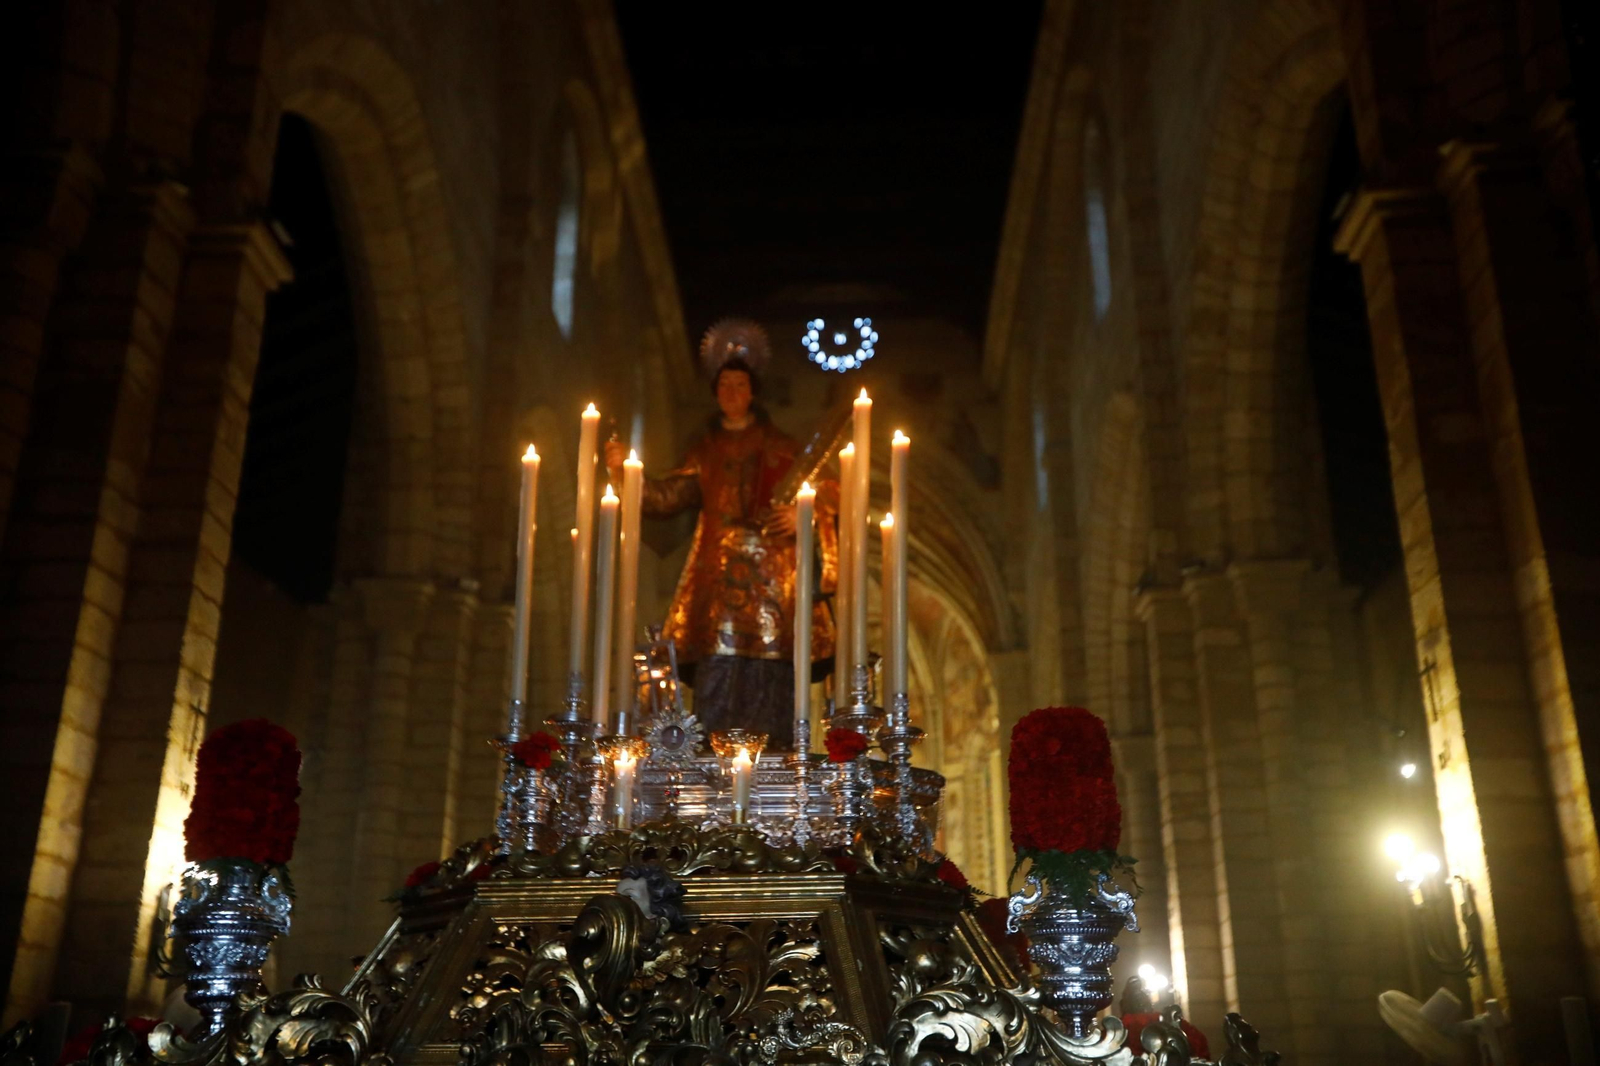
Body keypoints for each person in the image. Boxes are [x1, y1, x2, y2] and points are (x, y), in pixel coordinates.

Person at [605, 321, 836, 746]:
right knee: (719, 670)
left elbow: (825, 492)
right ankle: (711, 768)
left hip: (773, 584)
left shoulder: (784, 447)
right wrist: (624, 473)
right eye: (724, 385)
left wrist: (803, 515)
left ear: (752, 391)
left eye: (739, 384)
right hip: (717, 587)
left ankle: (776, 768)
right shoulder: (705, 451)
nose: (731, 393)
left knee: (771, 674)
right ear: (715, 392)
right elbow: (665, 495)